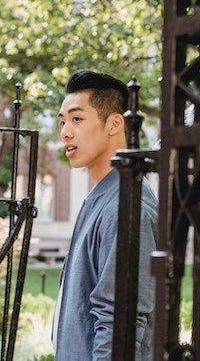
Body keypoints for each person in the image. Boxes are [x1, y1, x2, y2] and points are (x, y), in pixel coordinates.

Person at [53, 70, 158, 360]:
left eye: (77, 119)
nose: (65, 131)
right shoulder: (103, 196)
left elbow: (118, 324)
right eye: (63, 121)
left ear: (114, 124)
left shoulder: (126, 206)